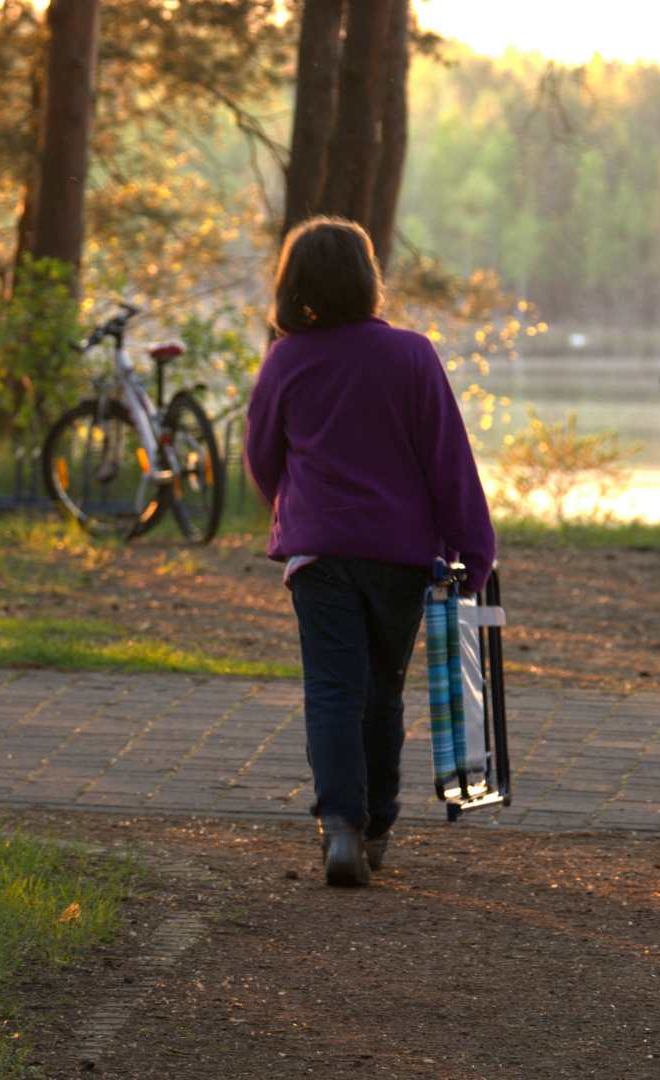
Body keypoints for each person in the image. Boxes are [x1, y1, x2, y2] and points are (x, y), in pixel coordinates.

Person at [244, 216, 496, 886]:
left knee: (331, 688)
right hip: (400, 554)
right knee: (381, 691)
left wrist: (295, 506)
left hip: (319, 553)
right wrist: (475, 547)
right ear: (367, 278)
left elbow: (260, 459)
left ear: (293, 284)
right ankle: (378, 824)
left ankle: (340, 829)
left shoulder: (285, 360)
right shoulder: (411, 355)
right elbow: (447, 460)